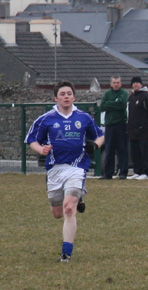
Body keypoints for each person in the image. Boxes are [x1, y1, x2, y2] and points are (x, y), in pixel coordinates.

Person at [25, 81, 104, 262]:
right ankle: (76, 196)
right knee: (57, 213)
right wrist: (40, 150)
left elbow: (100, 135)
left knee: (69, 208)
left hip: (77, 167)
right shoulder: (46, 119)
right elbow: (32, 140)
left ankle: (66, 254)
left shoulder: (84, 117)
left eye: (69, 93)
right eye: (62, 94)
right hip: (54, 170)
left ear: (74, 97)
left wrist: (95, 145)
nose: (66, 96)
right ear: (56, 98)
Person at [127, 76, 148, 180]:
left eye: (137, 83)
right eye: (134, 83)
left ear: (141, 84)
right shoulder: (131, 97)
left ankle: (146, 173)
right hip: (132, 130)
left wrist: (147, 123)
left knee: (145, 151)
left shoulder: (146, 96)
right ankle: (137, 171)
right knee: (135, 152)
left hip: (143, 130)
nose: (135, 84)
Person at [99, 76, 129, 180]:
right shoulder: (107, 94)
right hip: (109, 125)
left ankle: (123, 172)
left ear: (121, 84)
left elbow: (122, 105)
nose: (116, 84)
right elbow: (102, 106)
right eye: (114, 82)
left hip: (121, 124)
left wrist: (109, 104)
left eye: (118, 82)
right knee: (109, 149)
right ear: (111, 84)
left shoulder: (124, 93)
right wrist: (114, 104)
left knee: (122, 149)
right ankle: (108, 173)